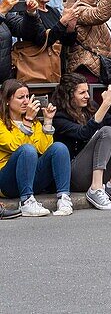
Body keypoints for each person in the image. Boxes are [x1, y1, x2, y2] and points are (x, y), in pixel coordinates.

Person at [51, 74, 111, 210]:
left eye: (87, 91)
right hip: (76, 176)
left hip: (101, 170)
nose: (87, 96)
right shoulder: (59, 116)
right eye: (82, 92)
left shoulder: (91, 108)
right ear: (69, 95)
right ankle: (95, 189)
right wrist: (106, 104)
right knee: (107, 131)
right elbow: (83, 133)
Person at [0, 79, 72, 216]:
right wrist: (26, 121)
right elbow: (14, 146)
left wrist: (48, 122)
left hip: (30, 178)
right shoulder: (1, 122)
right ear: (7, 100)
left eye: (28, 97)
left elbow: (44, 149)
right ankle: (26, 202)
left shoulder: (33, 122)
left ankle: (64, 198)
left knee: (59, 148)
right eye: (21, 97)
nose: (26, 102)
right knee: (27, 149)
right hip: (6, 182)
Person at [6, 0, 77, 82]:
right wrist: (63, 22)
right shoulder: (26, 13)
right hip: (34, 73)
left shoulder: (53, 11)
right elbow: (41, 39)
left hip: (56, 71)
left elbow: (67, 42)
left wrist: (71, 26)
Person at [65, 0, 111, 84]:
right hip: (87, 70)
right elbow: (100, 15)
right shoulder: (77, 10)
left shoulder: (94, 7)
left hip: (101, 68)